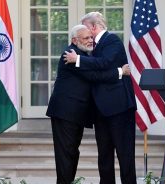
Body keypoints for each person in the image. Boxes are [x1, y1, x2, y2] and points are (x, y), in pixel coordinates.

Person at [46, 24, 131, 184]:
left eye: (91, 37)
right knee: (66, 154)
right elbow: (94, 75)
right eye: (86, 38)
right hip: (65, 113)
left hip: (76, 115)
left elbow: (97, 68)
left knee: (72, 153)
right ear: (74, 40)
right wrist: (120, 72)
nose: (90, 40)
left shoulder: (84, 56)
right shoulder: (70, 54)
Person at [64, 12, 137, 184]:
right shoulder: (91, 48)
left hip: (119, 108)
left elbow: (104, 63)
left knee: (125, 154)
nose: (86, 35)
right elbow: (94, 74)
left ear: (94, 27)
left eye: (86, 28)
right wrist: (119, 72)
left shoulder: (112, 41)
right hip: (100, 110)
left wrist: (78, 59)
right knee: (104, 156)